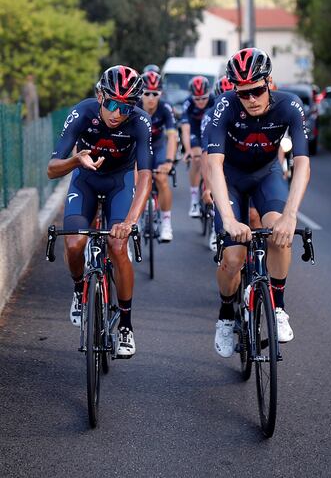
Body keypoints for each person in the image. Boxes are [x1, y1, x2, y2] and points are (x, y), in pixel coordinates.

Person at [205, 48, 310, 357]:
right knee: (234, 258)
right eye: (243, 93)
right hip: (231, 180)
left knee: (280, 235)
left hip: (267, 175)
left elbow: (302, 163)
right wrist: (228, 219)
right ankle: (226, 315)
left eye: (257, 90)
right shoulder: (224, 106)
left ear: (270, 83)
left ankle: (277, 308)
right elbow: (213, 165)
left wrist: (290, 215)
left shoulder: (290, 105)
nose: (250, 99)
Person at [47, 65, 153, 358]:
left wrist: (131, 222)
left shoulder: (140, 122)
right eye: (111, 104)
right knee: (74, 243)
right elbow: (51, 168)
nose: (117, 113)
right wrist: (76, 160)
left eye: (126, 107)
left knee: (118, 246)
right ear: (99, 96)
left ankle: (126, 325)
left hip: (121, 182)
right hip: (85, 180)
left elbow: (145, 176)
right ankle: (80, 289)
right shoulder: (82, 112)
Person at [138, 70, 178, 241]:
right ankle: (137, 218)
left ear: (161, 93)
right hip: (139, 145)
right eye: (147, 93)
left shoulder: (165, 108)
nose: (151, 97)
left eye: (156, 93)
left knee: (162, 178)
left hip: (159, 146)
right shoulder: (134, 107)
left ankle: (166, 223)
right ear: (141, 93)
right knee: (135, 179)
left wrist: (169, 161)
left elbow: (172, 136)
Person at [200, 75, 234, 251]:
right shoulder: (211, 116)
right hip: (218, 160)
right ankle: (217, 227)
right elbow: (207, 155)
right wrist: (208, 186)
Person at [181, 75, 215, 217]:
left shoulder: (214, 100)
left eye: (203, 98)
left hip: (210, 131)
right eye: (197, 99)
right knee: (196, 160)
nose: (200, 102)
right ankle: (194, 200)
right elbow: (185, 128)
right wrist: (188, 149)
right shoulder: (187, 103)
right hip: (195, 132)